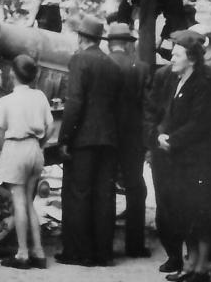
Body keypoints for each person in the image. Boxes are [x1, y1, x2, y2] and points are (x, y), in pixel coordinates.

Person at [148, 29, 211, 282]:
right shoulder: (177, 80)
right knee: (186, 213)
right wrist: (160, 136)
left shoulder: (204, 82)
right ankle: (190, 266)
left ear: (191, 58)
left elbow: (200, 122)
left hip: (199, 160)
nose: (172, 59)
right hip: (180, 158)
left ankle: (201, 269)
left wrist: (173, 140)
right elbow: (167, 114)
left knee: (199, 213)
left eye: (177, 55)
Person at [56, 16, 121, 267]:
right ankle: (103, 253)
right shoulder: (112, 65)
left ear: (81, 38)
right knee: (104, 196)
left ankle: (78, 252)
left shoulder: (79, 59)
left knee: (78, 194)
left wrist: (64, 139)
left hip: (83, 139)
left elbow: (75, 103)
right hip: (109, 138)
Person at [0, 54, 54, 269]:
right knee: (29, 203)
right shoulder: (40, 97)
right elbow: (51, 127)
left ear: (12, 74)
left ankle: (22, 254)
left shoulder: (6, 101)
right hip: (35, 149)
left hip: (15, 148)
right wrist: (40, 144)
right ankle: (39, 252)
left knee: (18, 203)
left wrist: (4, 151)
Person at [105, 22, 151, 258]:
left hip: (108, 136)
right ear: (128, 43)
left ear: (111, 43)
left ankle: (106, 243)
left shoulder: (103, 65)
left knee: (106, 188)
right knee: (136, 188)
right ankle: (135, 245)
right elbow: (146, 106)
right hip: (133, 138)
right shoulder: (140, 68)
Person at [106, 0, 197, 67]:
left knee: (146, 28)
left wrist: (123, 29)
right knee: (178, 24)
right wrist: (162, 39)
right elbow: (171, 20)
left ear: (135, 8)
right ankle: (182, 60)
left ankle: (146, 67)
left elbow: (123, 16)